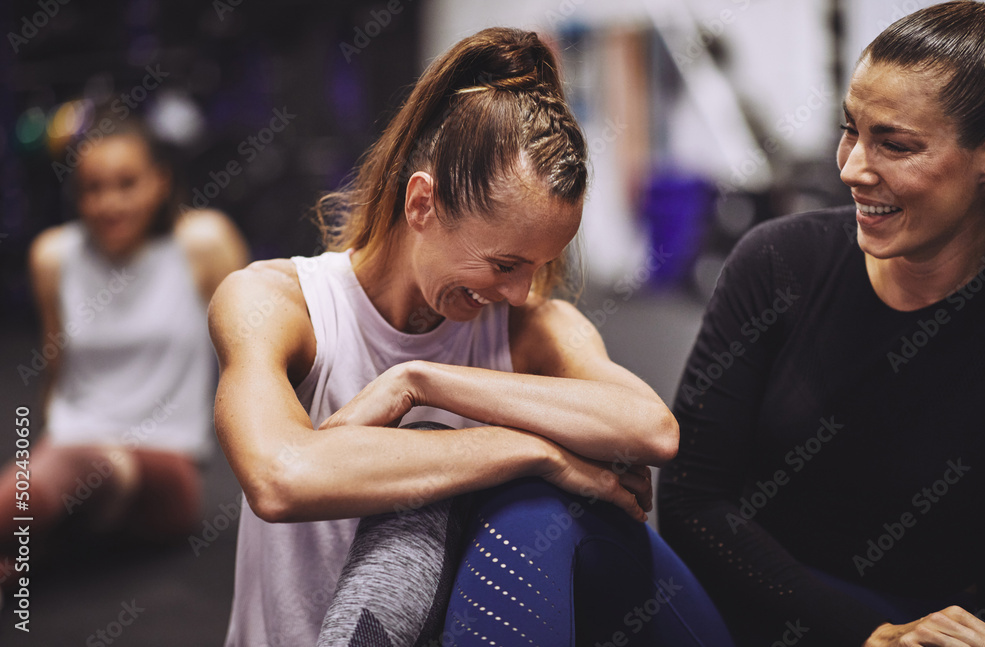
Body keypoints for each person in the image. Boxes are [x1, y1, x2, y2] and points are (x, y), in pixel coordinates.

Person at [211, 27, 737, 647]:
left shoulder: (530, 328)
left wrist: (420, 380)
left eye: (539, 268)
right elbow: (281, 478)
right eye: (505, 264)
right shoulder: (277, 303)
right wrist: (534, 452)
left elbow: (652, 430)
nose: (518, 292)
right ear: (422, 205)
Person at [656, 1, 985, 646]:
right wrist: (865, 631)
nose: (851, 168)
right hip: (757, 606)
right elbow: (690, 501)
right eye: (851, 131)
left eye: (894, 144)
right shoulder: (778, 261)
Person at [0, 113, 248, 586]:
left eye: (126, 184)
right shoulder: (54, 256)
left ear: (161, 181)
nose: (108, 202)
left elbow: (250, 358)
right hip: (72, 450)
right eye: (92, 188)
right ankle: (47, 536)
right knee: (60, 475)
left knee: (83, 468)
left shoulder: (202, 243)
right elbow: (56, 369)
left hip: (163, 465)